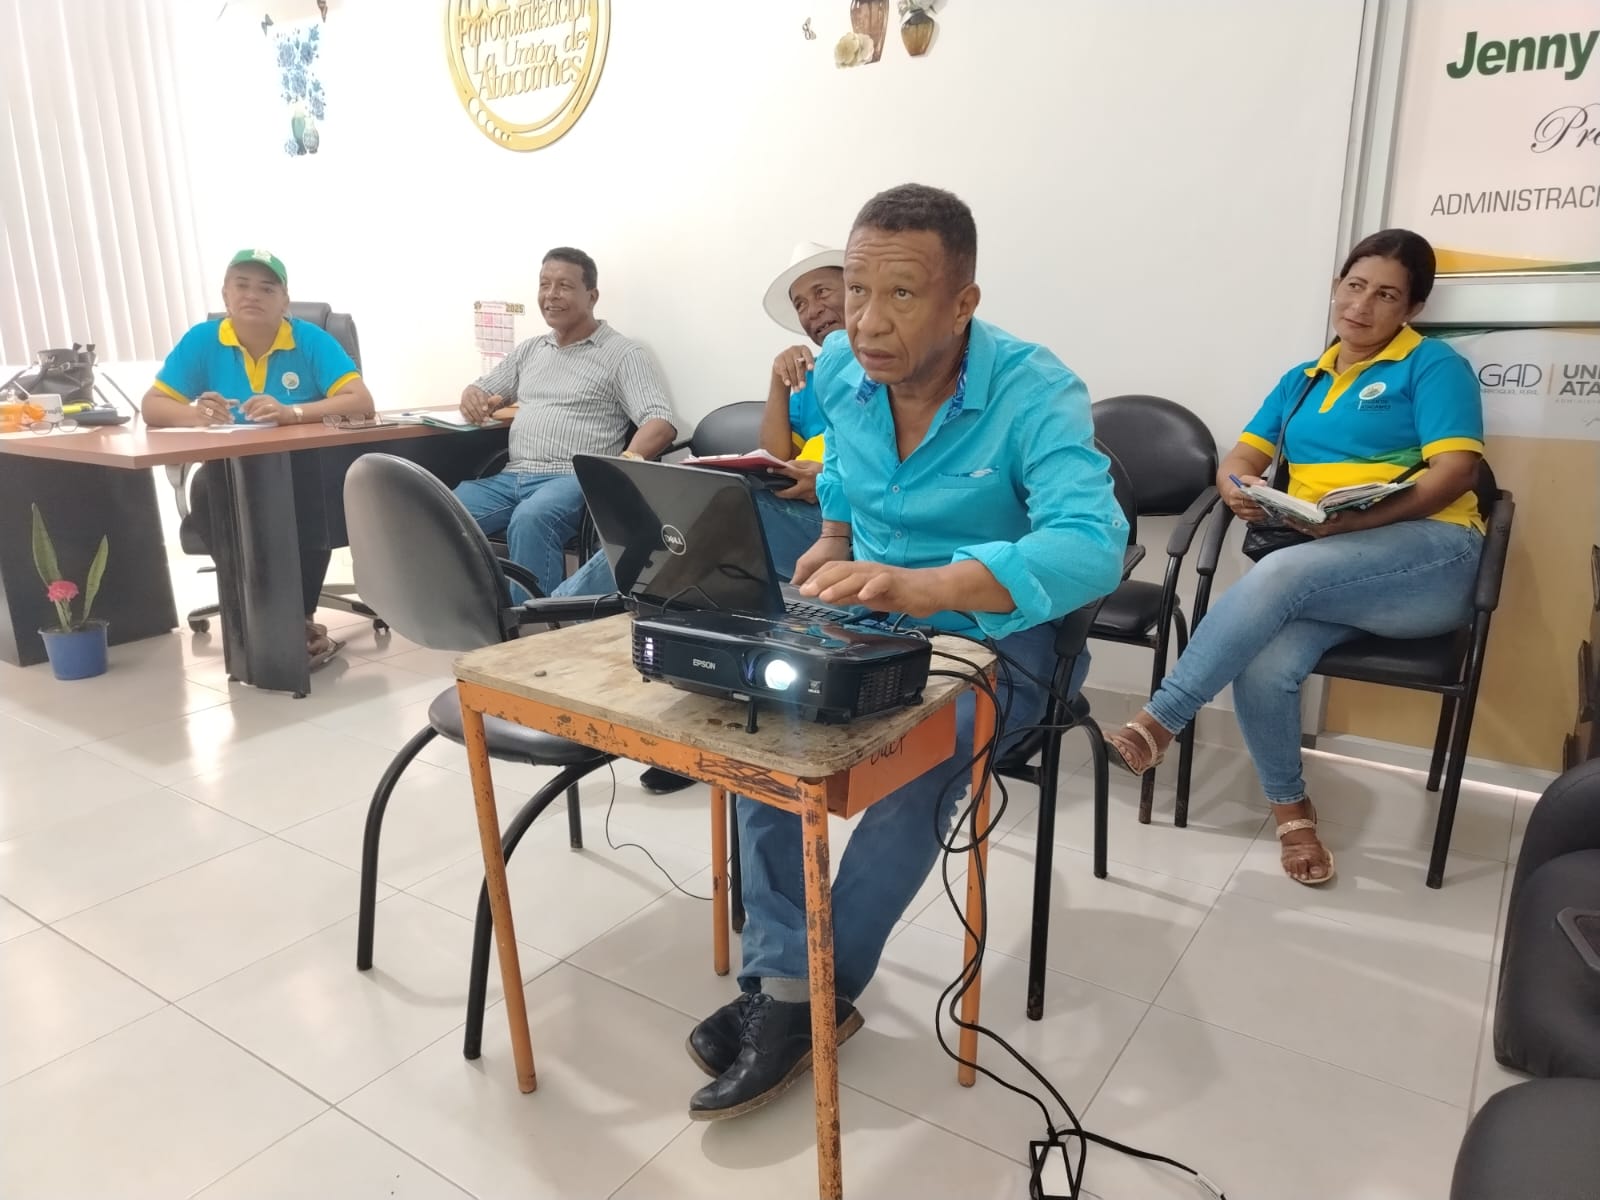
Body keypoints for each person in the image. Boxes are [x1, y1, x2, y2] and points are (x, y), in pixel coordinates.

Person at [684, 184, 1128, 1122]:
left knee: (919, 762)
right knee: (757, 724)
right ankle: (789, 986)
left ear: (963, 303)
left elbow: (1094, 544)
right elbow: (842, 471)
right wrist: (834, 539)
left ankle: (809, 996)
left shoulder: (1034, 388)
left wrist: (931, 587)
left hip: (1000, 637)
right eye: (855, 291)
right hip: (873, 616)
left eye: (901, 295)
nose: (867, 322)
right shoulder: (842, 371)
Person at [1102, 228, 1485, 887]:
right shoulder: (1302, 379)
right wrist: (1238, 489)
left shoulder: (1433, 365)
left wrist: (1357, 521)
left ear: (1412, 309)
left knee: (1281, 572)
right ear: (1337, 287)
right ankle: (1292, 812)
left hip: (1431, 561)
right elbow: (1242, 457)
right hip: (1329, 571)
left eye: (1385, 295)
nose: (1361, 305)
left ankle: (1159, 721)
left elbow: (1456, 473)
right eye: (1354, 286)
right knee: (1264, 665)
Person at [553, 242, 846, 796]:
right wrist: (777, 381)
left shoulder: (884, 367)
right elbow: (776, 451)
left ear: (858, 289)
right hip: (798, 511)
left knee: (711, 528)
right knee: (696, 558)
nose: (813, 311)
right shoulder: (817, 371)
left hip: (838, 528)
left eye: (823, 292)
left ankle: (557, 623)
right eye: (801, 304)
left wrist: (831, 483)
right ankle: (683, 725)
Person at [142, 248, 374, 667]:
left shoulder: (310, 340)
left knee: (304, 494)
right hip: (230, 468)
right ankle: (254, 606)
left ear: (284, 301)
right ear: (225, 295)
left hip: (302, 465)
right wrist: (196, 415)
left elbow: (360, 401)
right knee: (206, 489)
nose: (253, 295)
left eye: (267, 288)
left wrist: (292, 413)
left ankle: (297, 616)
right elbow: (153, 405)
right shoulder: (203, 340)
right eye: (242, 285)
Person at [451, 247, 678, 596]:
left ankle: (534, 625)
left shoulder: (621, 354)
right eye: (544, 284)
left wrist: (621, 467)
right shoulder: (531, 350)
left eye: (564, 286)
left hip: (570, 477)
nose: (551, 295)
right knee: (442, 510)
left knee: (531, 518)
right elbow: (483, 388)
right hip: (512, 475)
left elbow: (660, 422)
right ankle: (468, 614)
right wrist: (472, 395)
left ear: (592, 296)